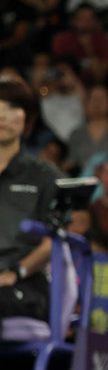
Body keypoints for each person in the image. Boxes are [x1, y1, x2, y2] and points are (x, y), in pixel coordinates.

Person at [0, 76, 58, 321]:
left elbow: (54, 240)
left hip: (24, 284)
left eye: (13, 107)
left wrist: (17, 271)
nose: (3, 115)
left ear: (28, 119)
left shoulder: (45, 176)